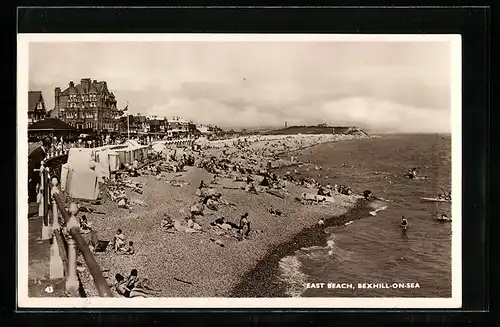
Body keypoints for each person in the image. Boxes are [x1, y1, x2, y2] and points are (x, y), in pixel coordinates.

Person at [28, 137, 51, 202]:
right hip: (32, 172)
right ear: (46, 146)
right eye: (49, 147)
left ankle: (34, 200)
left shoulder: (40, 150)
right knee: (32, 187)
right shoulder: (39, 152)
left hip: (34, 170)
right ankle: (33, 202)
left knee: (34, 187)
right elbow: (41, 162)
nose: (49, 149)